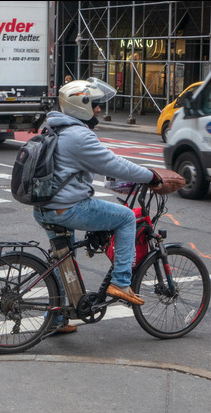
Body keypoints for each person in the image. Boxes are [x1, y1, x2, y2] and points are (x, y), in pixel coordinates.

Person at [35, 77, 182, 317]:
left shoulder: (54, 127)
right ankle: (121, 283)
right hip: (67, 208)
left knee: (64, 260)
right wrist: (151, 176)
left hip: (45, 206)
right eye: (94, 104)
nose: (99, 109)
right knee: (125, 217)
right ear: (81, 105)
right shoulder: (79, 137)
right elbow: (115, 165)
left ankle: (56, 318)